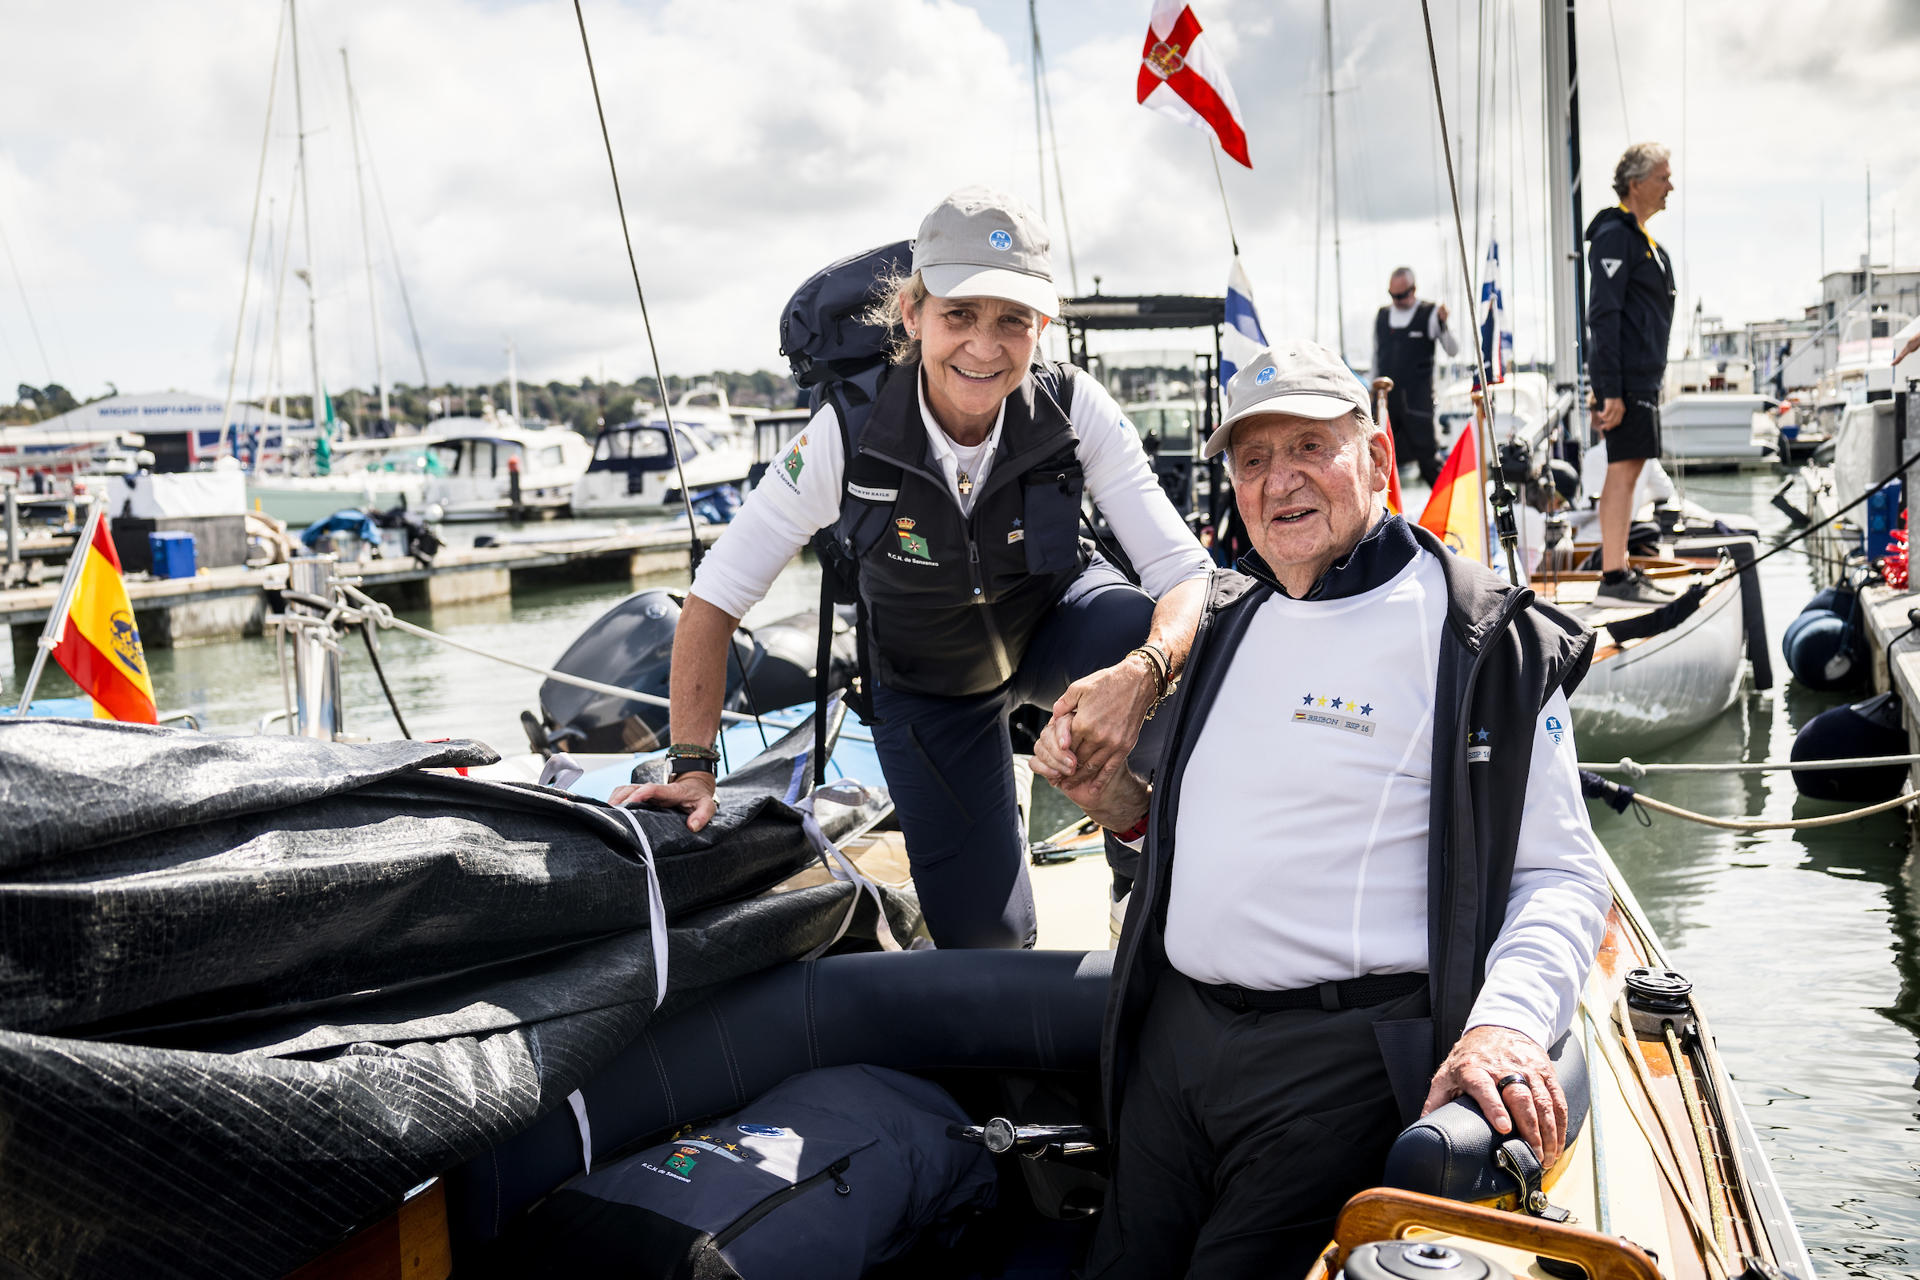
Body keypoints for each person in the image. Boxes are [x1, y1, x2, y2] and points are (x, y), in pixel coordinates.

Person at [1035, 338, 1611, 1276]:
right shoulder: (1227, 619)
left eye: (1309, 446)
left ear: (1376, 458)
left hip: (1336, 1072)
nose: (1280, 481)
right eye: (1253, 461)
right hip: (1173, 1046)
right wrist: (1113, 800)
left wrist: (1504, 1024)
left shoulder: (1481, 640)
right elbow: (1198, 833)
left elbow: (1561, 873)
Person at [614, 187, 1212, 950]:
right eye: (959, 315)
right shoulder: (845, 434)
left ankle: (1136, 865)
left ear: (1043, 327)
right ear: (912, 316)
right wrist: (693, 765)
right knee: (988, 949)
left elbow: (1184, 571)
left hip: (1053, 629)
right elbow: (714, 600)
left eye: (1012, 319)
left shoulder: (1074, 407)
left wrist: (1145, 670)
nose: (985, 346)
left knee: (1171, 645)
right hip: (929, 685)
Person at [1587, 141, 1677, 606]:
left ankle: (1618, 571)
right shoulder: (1615, 236)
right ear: (1637, 183)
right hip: (1626, 381)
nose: (1670, 186)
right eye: (1663, 177)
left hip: (1642, 377)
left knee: (1632, 466)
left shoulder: (1644, 241)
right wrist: (1609, 389)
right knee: (1623, 469)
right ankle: (1615, 577)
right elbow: (1602, 314)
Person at [1372, 267, 1459, 486]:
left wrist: (1443, 324)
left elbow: (1453, 350)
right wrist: (1371, 393)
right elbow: (1375, 356)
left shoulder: (1430, 313)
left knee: (1429, 462)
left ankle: (1449, 514)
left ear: (1413, 290)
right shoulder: (1382, 316)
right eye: (1393, 295)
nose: (1397, 300)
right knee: (1381, 460)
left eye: (1402, 295)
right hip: (1386, 404)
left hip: (1418, 404)